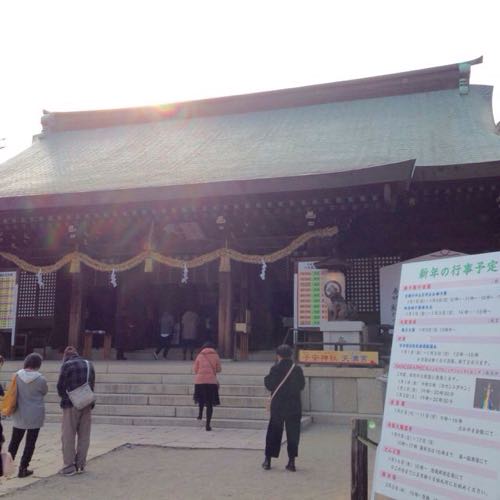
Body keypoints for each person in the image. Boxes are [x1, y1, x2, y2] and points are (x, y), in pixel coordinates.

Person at [262, 344, 305, 472]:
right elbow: (301, 385)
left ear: (278, 355)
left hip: (278, 406)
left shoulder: (275, 368)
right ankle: (291, 461)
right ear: (291, 355)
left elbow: (269, 384)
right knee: (293, 433)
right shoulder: (297, 369)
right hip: (293, 405)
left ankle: (268, 460)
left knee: (274, 432)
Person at [56, 346, 95, 476]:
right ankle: (81, 464)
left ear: (65, 357)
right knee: (84, 435)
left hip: (71, 403)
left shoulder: (66, 365)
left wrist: (64, 397)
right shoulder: (89, 364)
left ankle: (68, 466)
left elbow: (60, 385)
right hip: (87, 402)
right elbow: (92, 383)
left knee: (68, 435)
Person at [7, 353, 48, 478]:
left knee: (14, 441)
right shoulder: (41, 379)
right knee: (30, 442)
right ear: (38, 364)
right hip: (35, 413)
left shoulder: (16, 376)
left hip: (19, 412)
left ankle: (5, 467)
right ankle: (23, 468)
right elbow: (44, 391)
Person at [193, 341, 221, 431]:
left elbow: (195, 369)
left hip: (200, 381)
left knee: (201, 398)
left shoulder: (200, 355)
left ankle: (200, 414)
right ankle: (207, 425)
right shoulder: (215, 355)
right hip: (211, 382)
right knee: (209, 404)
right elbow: (219, 369)